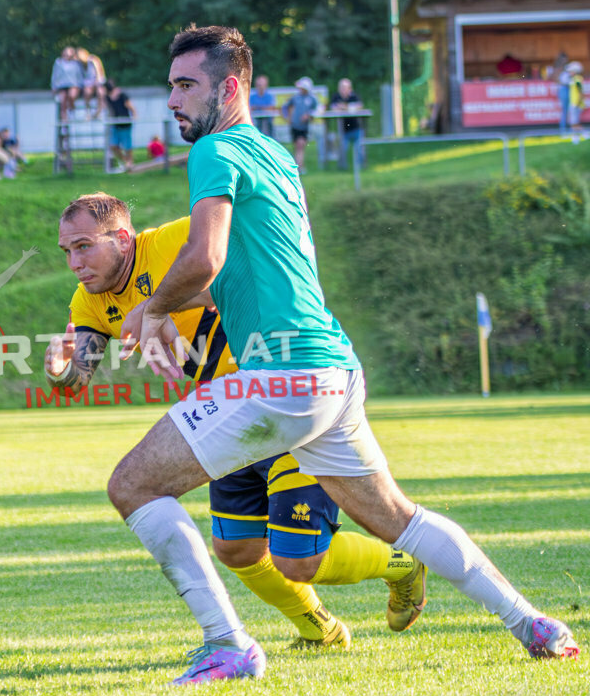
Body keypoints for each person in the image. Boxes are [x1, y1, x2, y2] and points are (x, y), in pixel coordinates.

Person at [110, 24, 579, 684]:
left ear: (230, 87)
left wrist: (155, 308)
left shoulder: (216, 150)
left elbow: (206, 255)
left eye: (186, 85)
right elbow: (240, 269)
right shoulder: (275, 155)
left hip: (281, 376)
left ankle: (228, 645)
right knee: (397, 519)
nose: (173, 100)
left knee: (132, 485)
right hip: (334, 369)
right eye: (172, 87)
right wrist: (169, 307)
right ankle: (533, 623)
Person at [47, 192, 429, 656]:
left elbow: (259, 260)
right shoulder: (88, 302)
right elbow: (77, 377)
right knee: (238, 549)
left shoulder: (174, 242)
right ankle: (321, 630)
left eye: (84, 246)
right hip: (225, 416)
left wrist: (168, 303)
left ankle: (401, 563)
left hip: (282, 396)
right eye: (67, 251)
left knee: (300, 558)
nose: (75, 263)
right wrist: (60, 370)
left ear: (123, 239)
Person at [281, 76, 319, 174]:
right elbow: (284, 107)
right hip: (294, 126)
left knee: (300, 145)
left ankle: (299, 167)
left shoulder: (312, 99)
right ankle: (299, 167)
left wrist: (309, 115)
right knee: (297, 147)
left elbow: (317, 109)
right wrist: (287, 118)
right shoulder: (295, 98)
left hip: (304, 126)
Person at [329, 78, 364, 170]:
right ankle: (342, 168)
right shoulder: (336, 97)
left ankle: (360, 168)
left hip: (356, 128)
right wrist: (348, 107)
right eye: (341, 88)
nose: (343, 90)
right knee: (342, 149)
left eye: (345, 88)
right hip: (343, 130)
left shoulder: (354, 96)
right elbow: (333, 107)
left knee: (359, 149)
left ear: (350, 88)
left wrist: (345, 107)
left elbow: (360, 106)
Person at [104, 81, 136, 171]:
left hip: (125, 123)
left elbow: (130, 107)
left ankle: (130, 162)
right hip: (115, 124)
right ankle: (126, 161)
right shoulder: (107, 97)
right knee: (113, 146)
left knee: (127, 146)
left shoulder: (122, 95)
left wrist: (134, 116)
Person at [50, 47, 85, 121]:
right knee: (63, 102)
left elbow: (80, 75)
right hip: (62, 86)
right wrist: (54, 86)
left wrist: (81, 86)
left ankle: (71, 110)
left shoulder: (76, 63)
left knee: (71, 96)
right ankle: (64, 122)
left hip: (74, 85)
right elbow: (55, 75)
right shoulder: (59, 62)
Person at [77, 47, 107, 118]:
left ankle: (99, 111)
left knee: (101, 92)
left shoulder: (93, 60)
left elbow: (100, 74)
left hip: (97, 83)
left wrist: (97, 83)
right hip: (87, 85)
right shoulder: (79, 64)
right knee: (87, 92)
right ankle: (88, 111)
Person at [565, 61, 585, 140]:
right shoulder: (573, 79)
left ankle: (582, 134)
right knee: (573, 121)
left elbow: (580, 91)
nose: (569, 73)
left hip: (576, 103)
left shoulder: (577, 79)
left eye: (571, 71)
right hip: (573, 102)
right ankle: (576, 136)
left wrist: (578, 103)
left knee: (574, 122)